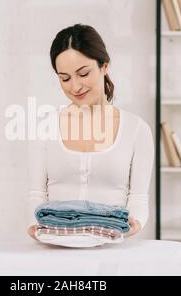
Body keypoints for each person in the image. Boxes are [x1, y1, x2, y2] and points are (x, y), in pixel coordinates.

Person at [26, 24, 154, 241]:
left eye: (83, 73)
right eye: (64, 78)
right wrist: (33, 224)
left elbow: (139, 197)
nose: (75, 87)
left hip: (112, 251)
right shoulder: (44, 127)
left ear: (104, 66)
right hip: (54, 247)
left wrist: (135, 222)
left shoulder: (136, 129)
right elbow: (36, 194)